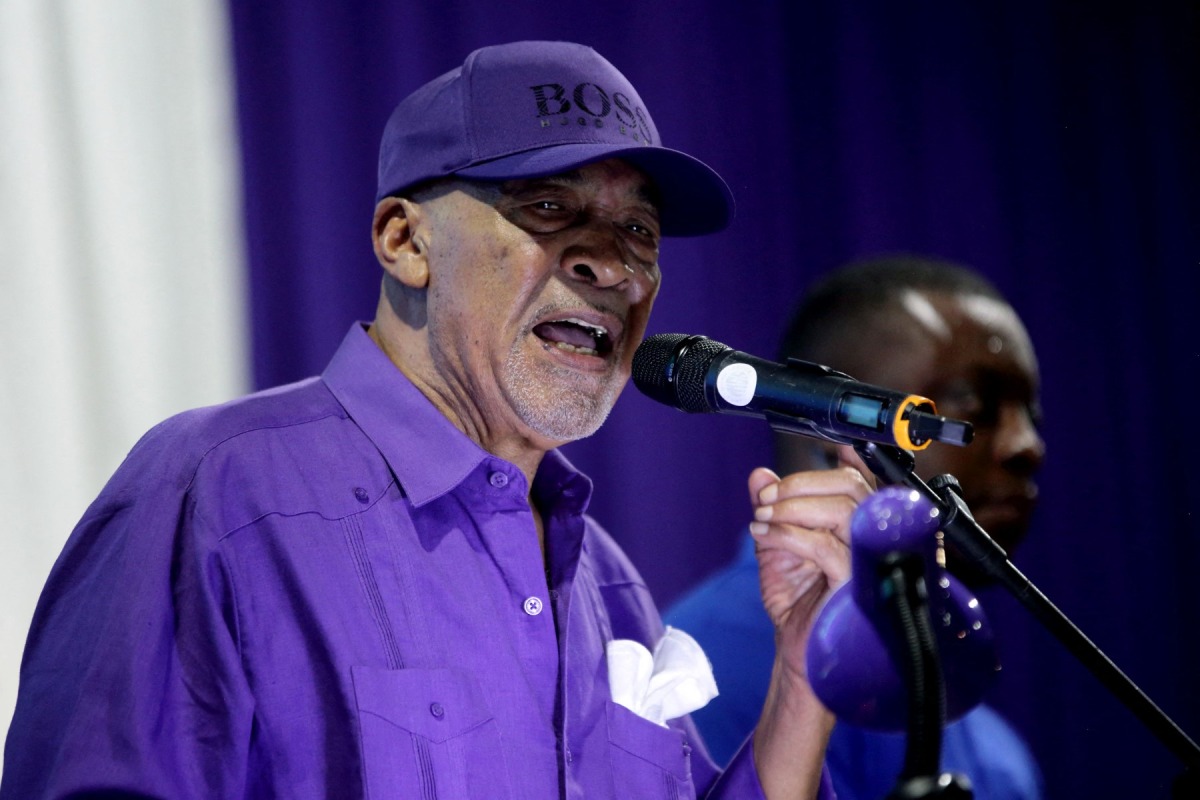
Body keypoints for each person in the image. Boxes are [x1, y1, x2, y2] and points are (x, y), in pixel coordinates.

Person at [2, 41, 866, 799]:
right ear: (404, 241)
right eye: (550, 208)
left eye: (639, 229)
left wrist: (800, 679)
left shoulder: (607, 584)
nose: (611, 262)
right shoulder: (218, 493)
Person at [666, 256, 1047, 799]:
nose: (1025, 445)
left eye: (1030, 413)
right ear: (834, 426)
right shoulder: (705, 672)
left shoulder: (994, 746)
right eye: (969, 404)